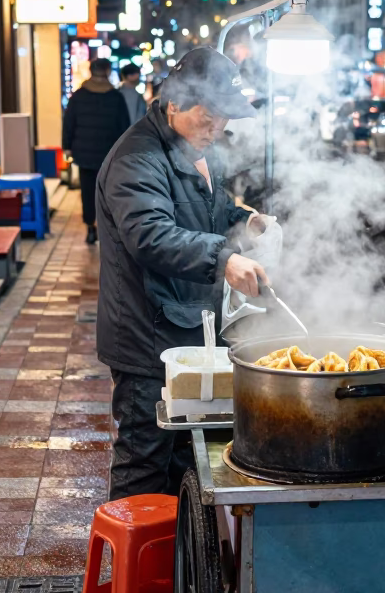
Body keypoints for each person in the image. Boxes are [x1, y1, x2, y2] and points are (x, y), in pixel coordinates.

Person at [96, 46, 270, 499]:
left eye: (224, 118)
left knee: (181, 458)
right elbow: (149, 235)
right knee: (145, 461)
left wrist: (243, 222)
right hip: (147, 336)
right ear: (174, 103)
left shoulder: (193, 147)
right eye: (208, 116)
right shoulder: (136, 158)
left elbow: (208, 213)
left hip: (185, 330)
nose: (217, 128)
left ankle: (175, 565)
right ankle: (138, 568)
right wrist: (223, 260)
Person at [62, 57, 131, 245]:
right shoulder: (115, 97)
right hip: (109, 154)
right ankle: (107, 229)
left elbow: (69, 124)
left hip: (84, 153)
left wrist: (67, 147)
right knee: (109, 192)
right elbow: (125, 127)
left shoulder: (79, 96)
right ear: (108, 72)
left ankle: (90, 228)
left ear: (91, 71)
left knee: (87, 191)